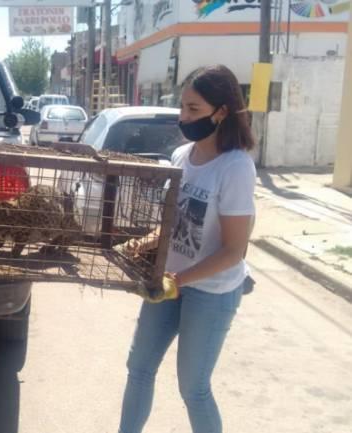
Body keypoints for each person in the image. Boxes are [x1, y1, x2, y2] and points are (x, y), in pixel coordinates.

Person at [118, 64, 257, 433]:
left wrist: (178, 279)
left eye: (194, 110)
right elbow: (173, 224)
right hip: (169, 282)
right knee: (139, 368)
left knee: (193, 388)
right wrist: (139, 245)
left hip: (211, 290)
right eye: (182, 107)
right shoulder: (182, 157)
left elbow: (234, 250)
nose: (184, 117)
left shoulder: (236, 167)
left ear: (222, 112)